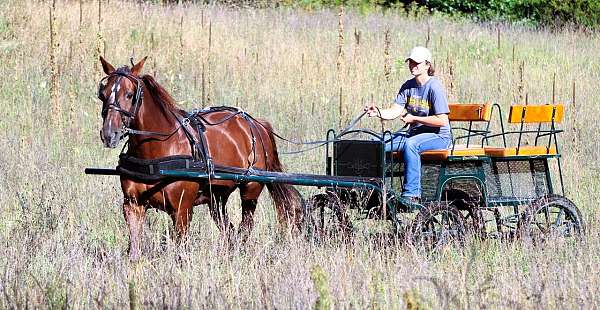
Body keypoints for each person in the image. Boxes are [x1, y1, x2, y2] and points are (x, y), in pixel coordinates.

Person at [366, 46, 451, 202]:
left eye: (417, 62)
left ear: (427, 65)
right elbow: (394, 110)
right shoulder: (408, 86)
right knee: (377, 143)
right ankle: (372, 189)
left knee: (411, 144)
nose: (413, 65)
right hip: (415, 134)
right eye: (411, 62)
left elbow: (442, 120)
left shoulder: (434, 87)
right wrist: (378, 112)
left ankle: (411, 194)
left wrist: (415, 119)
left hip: (439, 136)